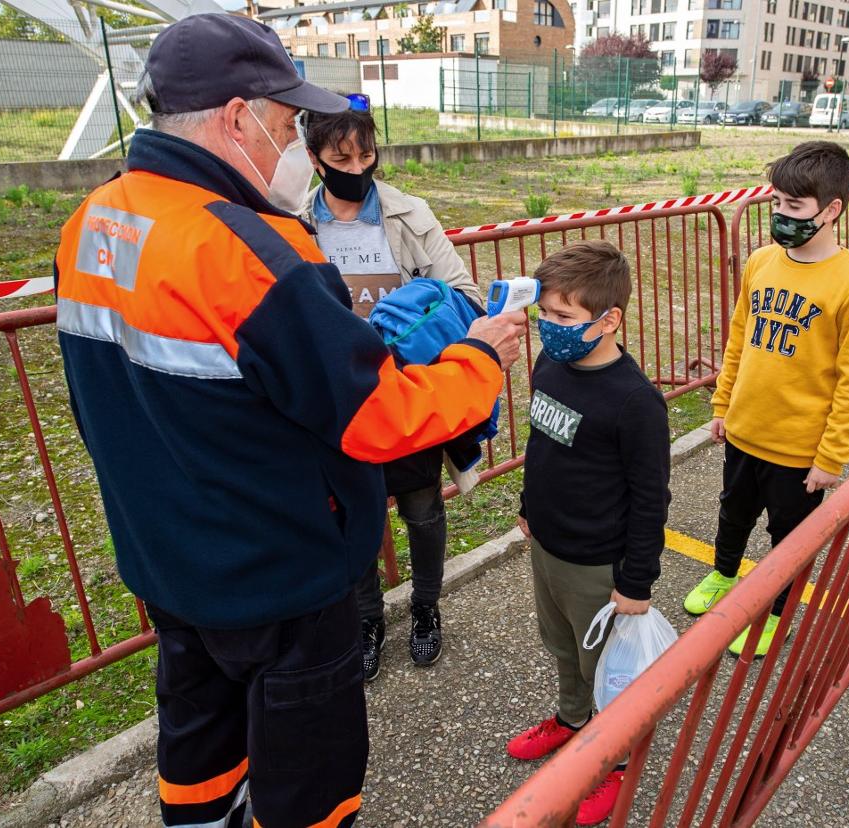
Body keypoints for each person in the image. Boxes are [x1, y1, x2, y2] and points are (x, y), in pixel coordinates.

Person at [53, 15, 526, 828]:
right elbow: (377, 416)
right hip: (277, 578)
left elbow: (102, 397)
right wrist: (480, 361)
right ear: (236, 119)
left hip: (170, 561)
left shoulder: (95, 220)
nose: (293, 148)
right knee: (310, 784)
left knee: (202, 759)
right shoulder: (253, 248)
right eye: (284, 126)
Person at [301, 105, 482, 681]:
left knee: (422, 509)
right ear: (314, 160)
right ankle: (366, 620)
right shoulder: (291, 222)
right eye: (340, 158)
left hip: (406, 391)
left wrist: (410, 322)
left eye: (366, 154)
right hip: (337, 402)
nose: (357, 167)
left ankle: (426, 606)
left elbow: (464, 293)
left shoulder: (408, 214)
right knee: (354, 518)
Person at [682, 141, 849, 657]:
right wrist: (722, 404)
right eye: (777, 203)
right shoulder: (762, 262)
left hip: (800, 451)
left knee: (789, 539)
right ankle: (724, 577)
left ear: (832, 210)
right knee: (732, 514)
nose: (780, 215)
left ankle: (778, 613)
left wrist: (832, 458)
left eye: (794, 207)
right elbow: (738, 336)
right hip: (745, 429)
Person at [510, 240, 671, 826]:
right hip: (548, 548)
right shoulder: (549, 365)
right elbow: (540, 445)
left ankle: (616, 760)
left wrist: (636, 582)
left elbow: (652, 499)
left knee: (606, 667)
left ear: (610, 321)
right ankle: (574, 721)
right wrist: (530, 505)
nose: (548, 327)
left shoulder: (635, 402)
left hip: (598, 568)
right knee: (562, 649)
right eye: (545, 314)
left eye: (564, 317)